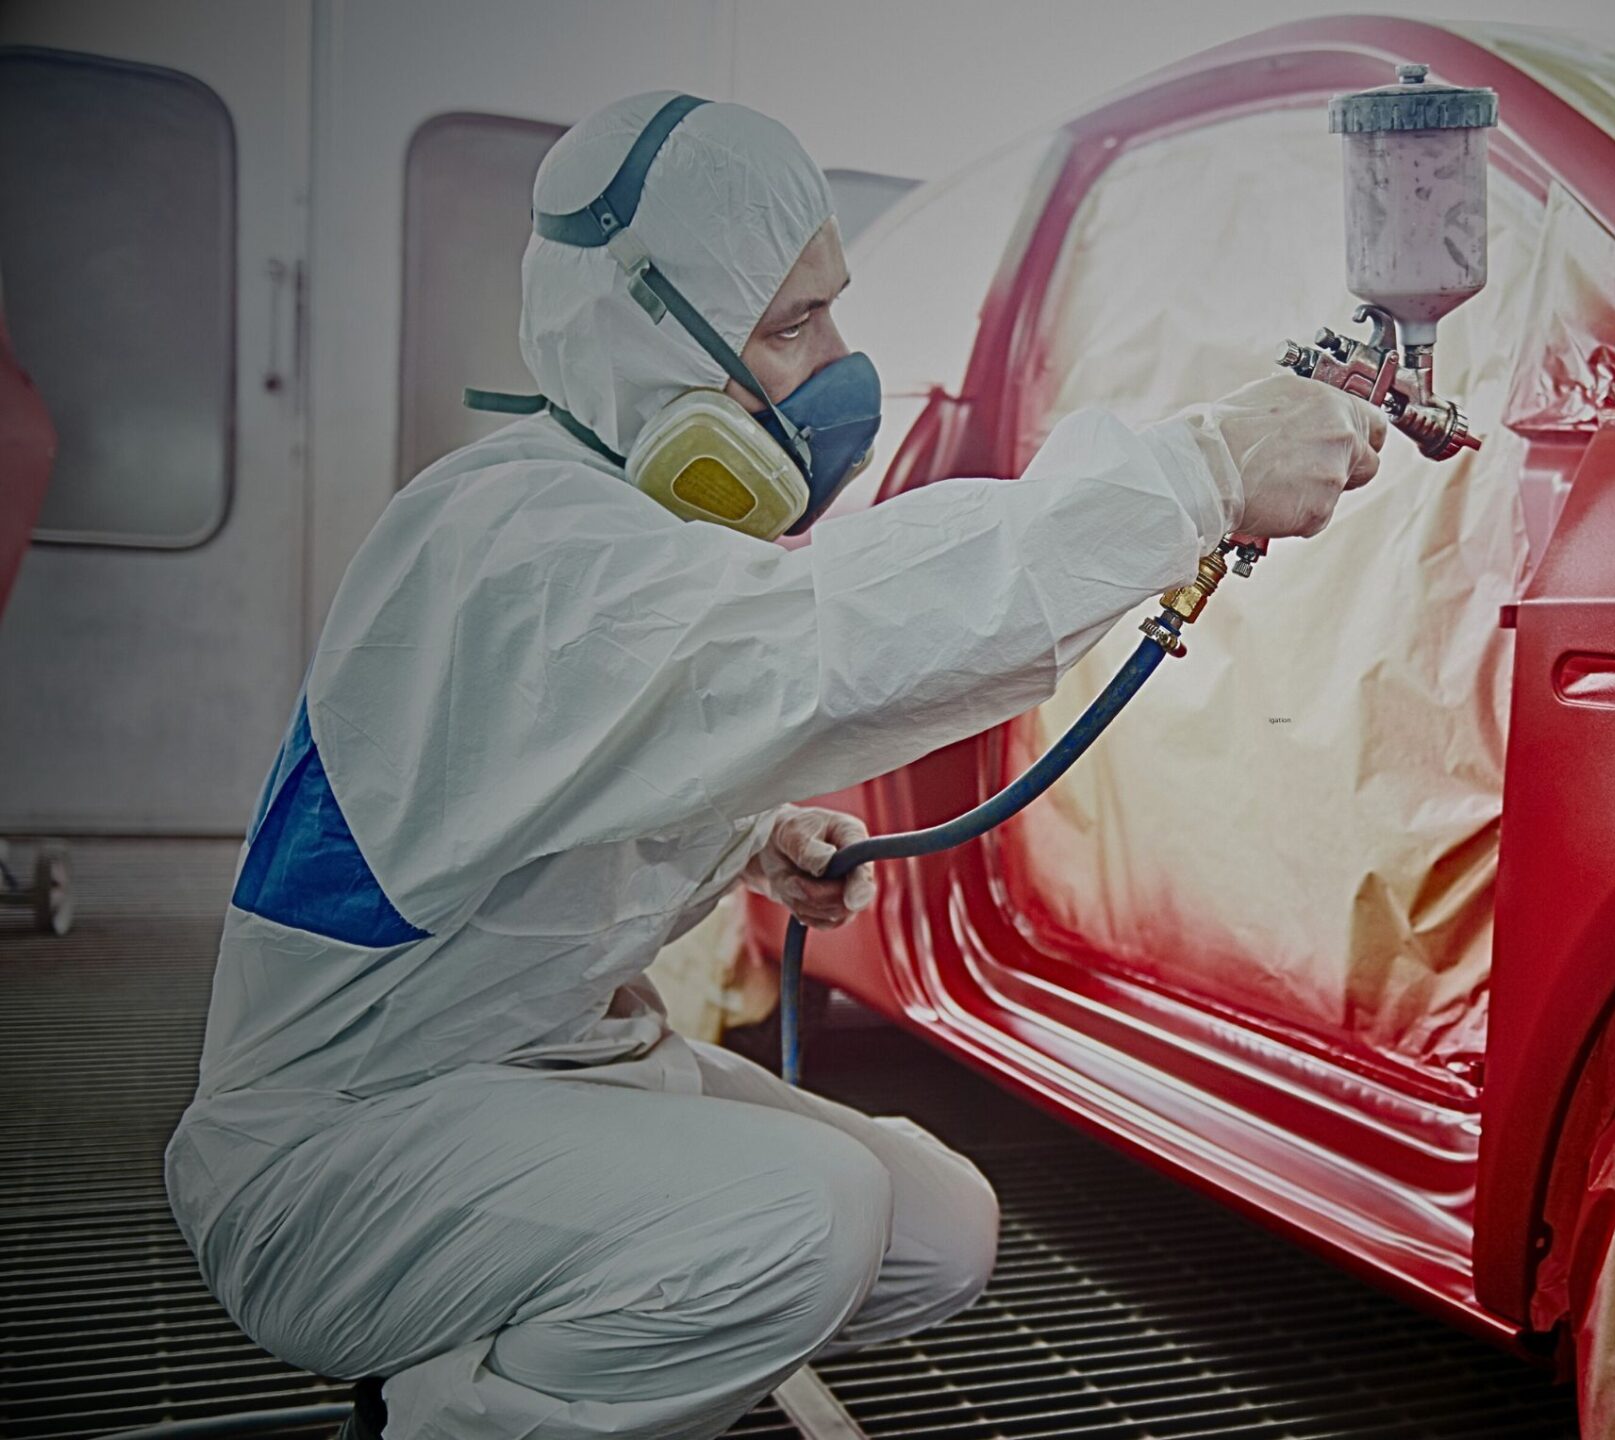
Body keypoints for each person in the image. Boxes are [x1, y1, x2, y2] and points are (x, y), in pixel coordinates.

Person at [164, 91, 1382, 1440]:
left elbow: (598, 761)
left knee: (935, 1229)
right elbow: (832, 644)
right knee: (807, 1221)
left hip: (541, 1066)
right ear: (645, 338)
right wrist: (1201, 473)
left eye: (831, 311)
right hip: (341, 1152)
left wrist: (754, 839)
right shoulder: (519, 546)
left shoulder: (617, 521)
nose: (838, 367)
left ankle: (520, 1363)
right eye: (791, 326)